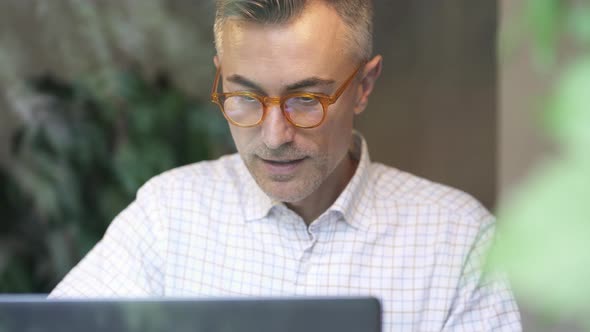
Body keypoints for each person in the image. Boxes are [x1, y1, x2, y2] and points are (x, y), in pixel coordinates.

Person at [50, 0, 521, 330]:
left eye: (306, 99)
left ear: (363, 86)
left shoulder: (458, 242)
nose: (274, 137)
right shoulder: (167, 215)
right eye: (245, 96)